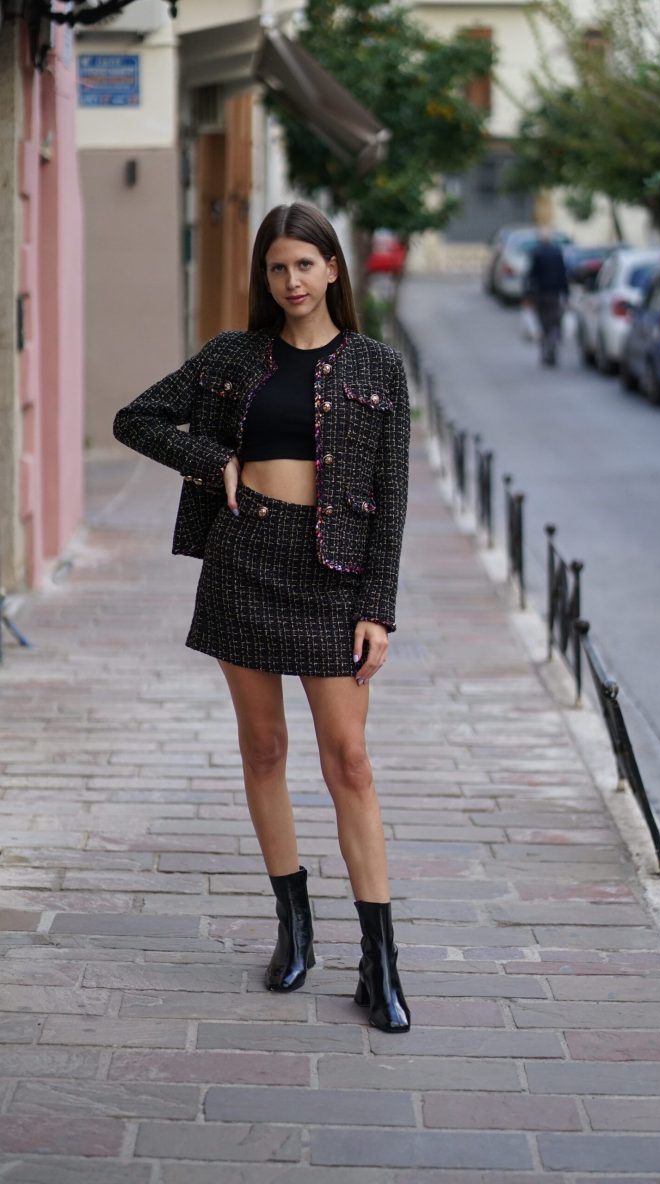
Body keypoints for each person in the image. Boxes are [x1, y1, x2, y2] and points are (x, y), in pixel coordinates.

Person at [113, 202, 411, 1033]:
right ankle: (294, 930)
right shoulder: (232, 357)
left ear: (334, 269)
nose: (292, 282)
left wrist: (377, 610)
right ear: (265, 276)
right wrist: (216, 464)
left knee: (349, 759)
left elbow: (392, 502)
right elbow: (135, 418)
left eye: (306, 266)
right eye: (278, 268)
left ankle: (379, 961)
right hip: (246, 561)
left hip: (335, 575)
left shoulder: (379, 367)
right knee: (265, 747)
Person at [526, 228, 570, 366]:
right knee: (554, 321)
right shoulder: (557, 253)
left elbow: (531, 276)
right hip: (554, 294)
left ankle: (546, 347)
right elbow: (563, 274)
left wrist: (528, 294)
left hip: (540, 294)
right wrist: (566, 293)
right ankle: (552, 344)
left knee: (543, 322)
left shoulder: (536, 253)